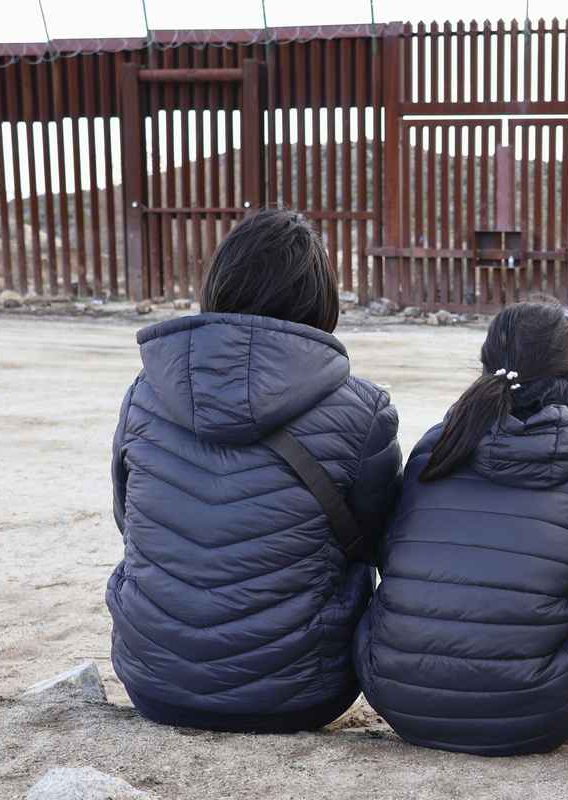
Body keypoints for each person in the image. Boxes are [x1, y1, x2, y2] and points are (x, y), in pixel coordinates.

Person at [106, 208, 402, 733]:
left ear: (218, 283)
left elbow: (128, 518)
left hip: (154, 684)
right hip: (301, 695)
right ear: (320, 297)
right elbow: (377, 541)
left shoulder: (144, 395)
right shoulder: (364, 412)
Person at [355, 298, 568, 756]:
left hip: (399, 695)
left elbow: (392, 558)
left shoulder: (438, 444)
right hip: (537, 710)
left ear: (486, 372)